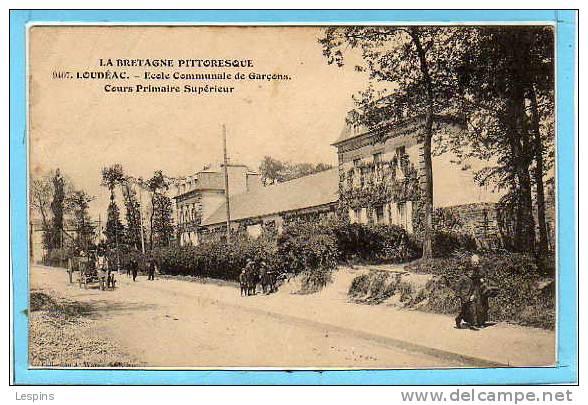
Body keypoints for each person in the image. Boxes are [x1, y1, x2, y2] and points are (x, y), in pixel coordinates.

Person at [455, 254, 483, 329]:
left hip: (470, 296)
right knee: (463, 310)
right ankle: (458, 319)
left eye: (472, 272)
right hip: (464, 296)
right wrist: (458, 296)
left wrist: (473, 295)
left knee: (473, 308)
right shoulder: (463, 278)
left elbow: (474, 288)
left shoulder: (472, 279)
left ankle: (474, 324)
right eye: (469, 272)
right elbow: (458, 287)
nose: (471, 273)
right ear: (467, 272)